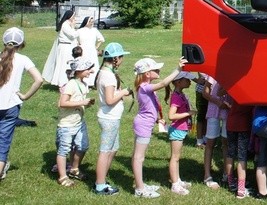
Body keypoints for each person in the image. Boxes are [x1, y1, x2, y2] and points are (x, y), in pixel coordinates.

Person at [132, 56, 186, 198]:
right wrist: (178, 69)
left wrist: (158, 120)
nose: (159, 70)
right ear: (147, 74)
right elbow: (163, 83)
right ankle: (139, 189)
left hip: (146, 124)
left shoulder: (146, 88)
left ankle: (141, 184)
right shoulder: (145, 87)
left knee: (139, 156)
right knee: (139, 158)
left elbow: (150, 106)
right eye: (156, 69)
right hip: (143, 125)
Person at [0, 27, 43, 181]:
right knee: (3, 142)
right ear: (21, 43)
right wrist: (25, 96)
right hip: (11, 106)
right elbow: (39, 79)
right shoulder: (24, 59)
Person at [92, 42, 131, 195]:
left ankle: (102, 177)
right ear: (116, 58)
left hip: (111, 117)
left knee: (113, 149)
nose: (122, 60)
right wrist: (123, 93)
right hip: (109, 118)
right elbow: (109, 100)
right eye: (121, 57)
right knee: (105, 151)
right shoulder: (108, 76)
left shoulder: (105, 72)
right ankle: (100, 185)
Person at [55, 57, 96, 187]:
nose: (91, 71)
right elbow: (62, 103)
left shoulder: (83, 84)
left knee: (83, 146)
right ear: (79, 71)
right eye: (88, 69)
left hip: (79, 122)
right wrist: (82, 102)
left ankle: (74, 168)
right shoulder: (71, 84)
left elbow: (78, 102)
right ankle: (62, 177)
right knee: (64, 150)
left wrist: (86, 104)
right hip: (67, 124)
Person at [166, 71, 195, 196]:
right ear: (178, 82)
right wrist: (188, 114)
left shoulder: (180, 94)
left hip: (181, 129)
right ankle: (174, 185)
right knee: (175, 158)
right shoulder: (176, 96)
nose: (189, 82)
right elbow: (171, 116)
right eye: (187, 80)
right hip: (177, 130)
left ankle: (178, 180)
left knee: (177, 157)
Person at [202, 76, 230, 189]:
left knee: (226, 142)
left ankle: (226, 173)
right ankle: (207, 175)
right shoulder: (213, 74)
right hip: (214, 109)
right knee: (210, 142)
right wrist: (218, 102)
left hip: (228, 109)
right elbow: (205, 92)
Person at [224, 98, 253, 198]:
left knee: (230, 153)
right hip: (243, 125)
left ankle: (231, 182)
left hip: (231, 123)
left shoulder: (235, 90)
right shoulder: (249, 93)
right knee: (242, 156)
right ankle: (241, 189)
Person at [42, 9, 78, 88]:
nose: (74, 18)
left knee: (69, 64)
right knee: (63, 64)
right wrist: (73, 27)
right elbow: (73, 35)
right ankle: (62, 82)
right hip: (65, 47)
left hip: (69, 47)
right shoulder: (65, 25)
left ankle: (68, 81)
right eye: (73, 16)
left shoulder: (68, 24)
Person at [76, 17, 105, 88]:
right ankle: (84, 80)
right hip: (83, 51)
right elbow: (76, 40)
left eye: (92, 22)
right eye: (90, 21)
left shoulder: (94, 30)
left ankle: (93, 82)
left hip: (92, 51)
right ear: (86, 22)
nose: (92, 23)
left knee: (93, 65)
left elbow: (101, 39)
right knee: (84, 65)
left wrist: (96, 47)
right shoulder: (80, 30)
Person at [194, 73, 209, 148]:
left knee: (207, 116)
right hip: (201, 91)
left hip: (211, 91)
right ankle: (199, 141)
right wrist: (196, 79)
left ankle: (205, 138)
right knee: (201, 117)